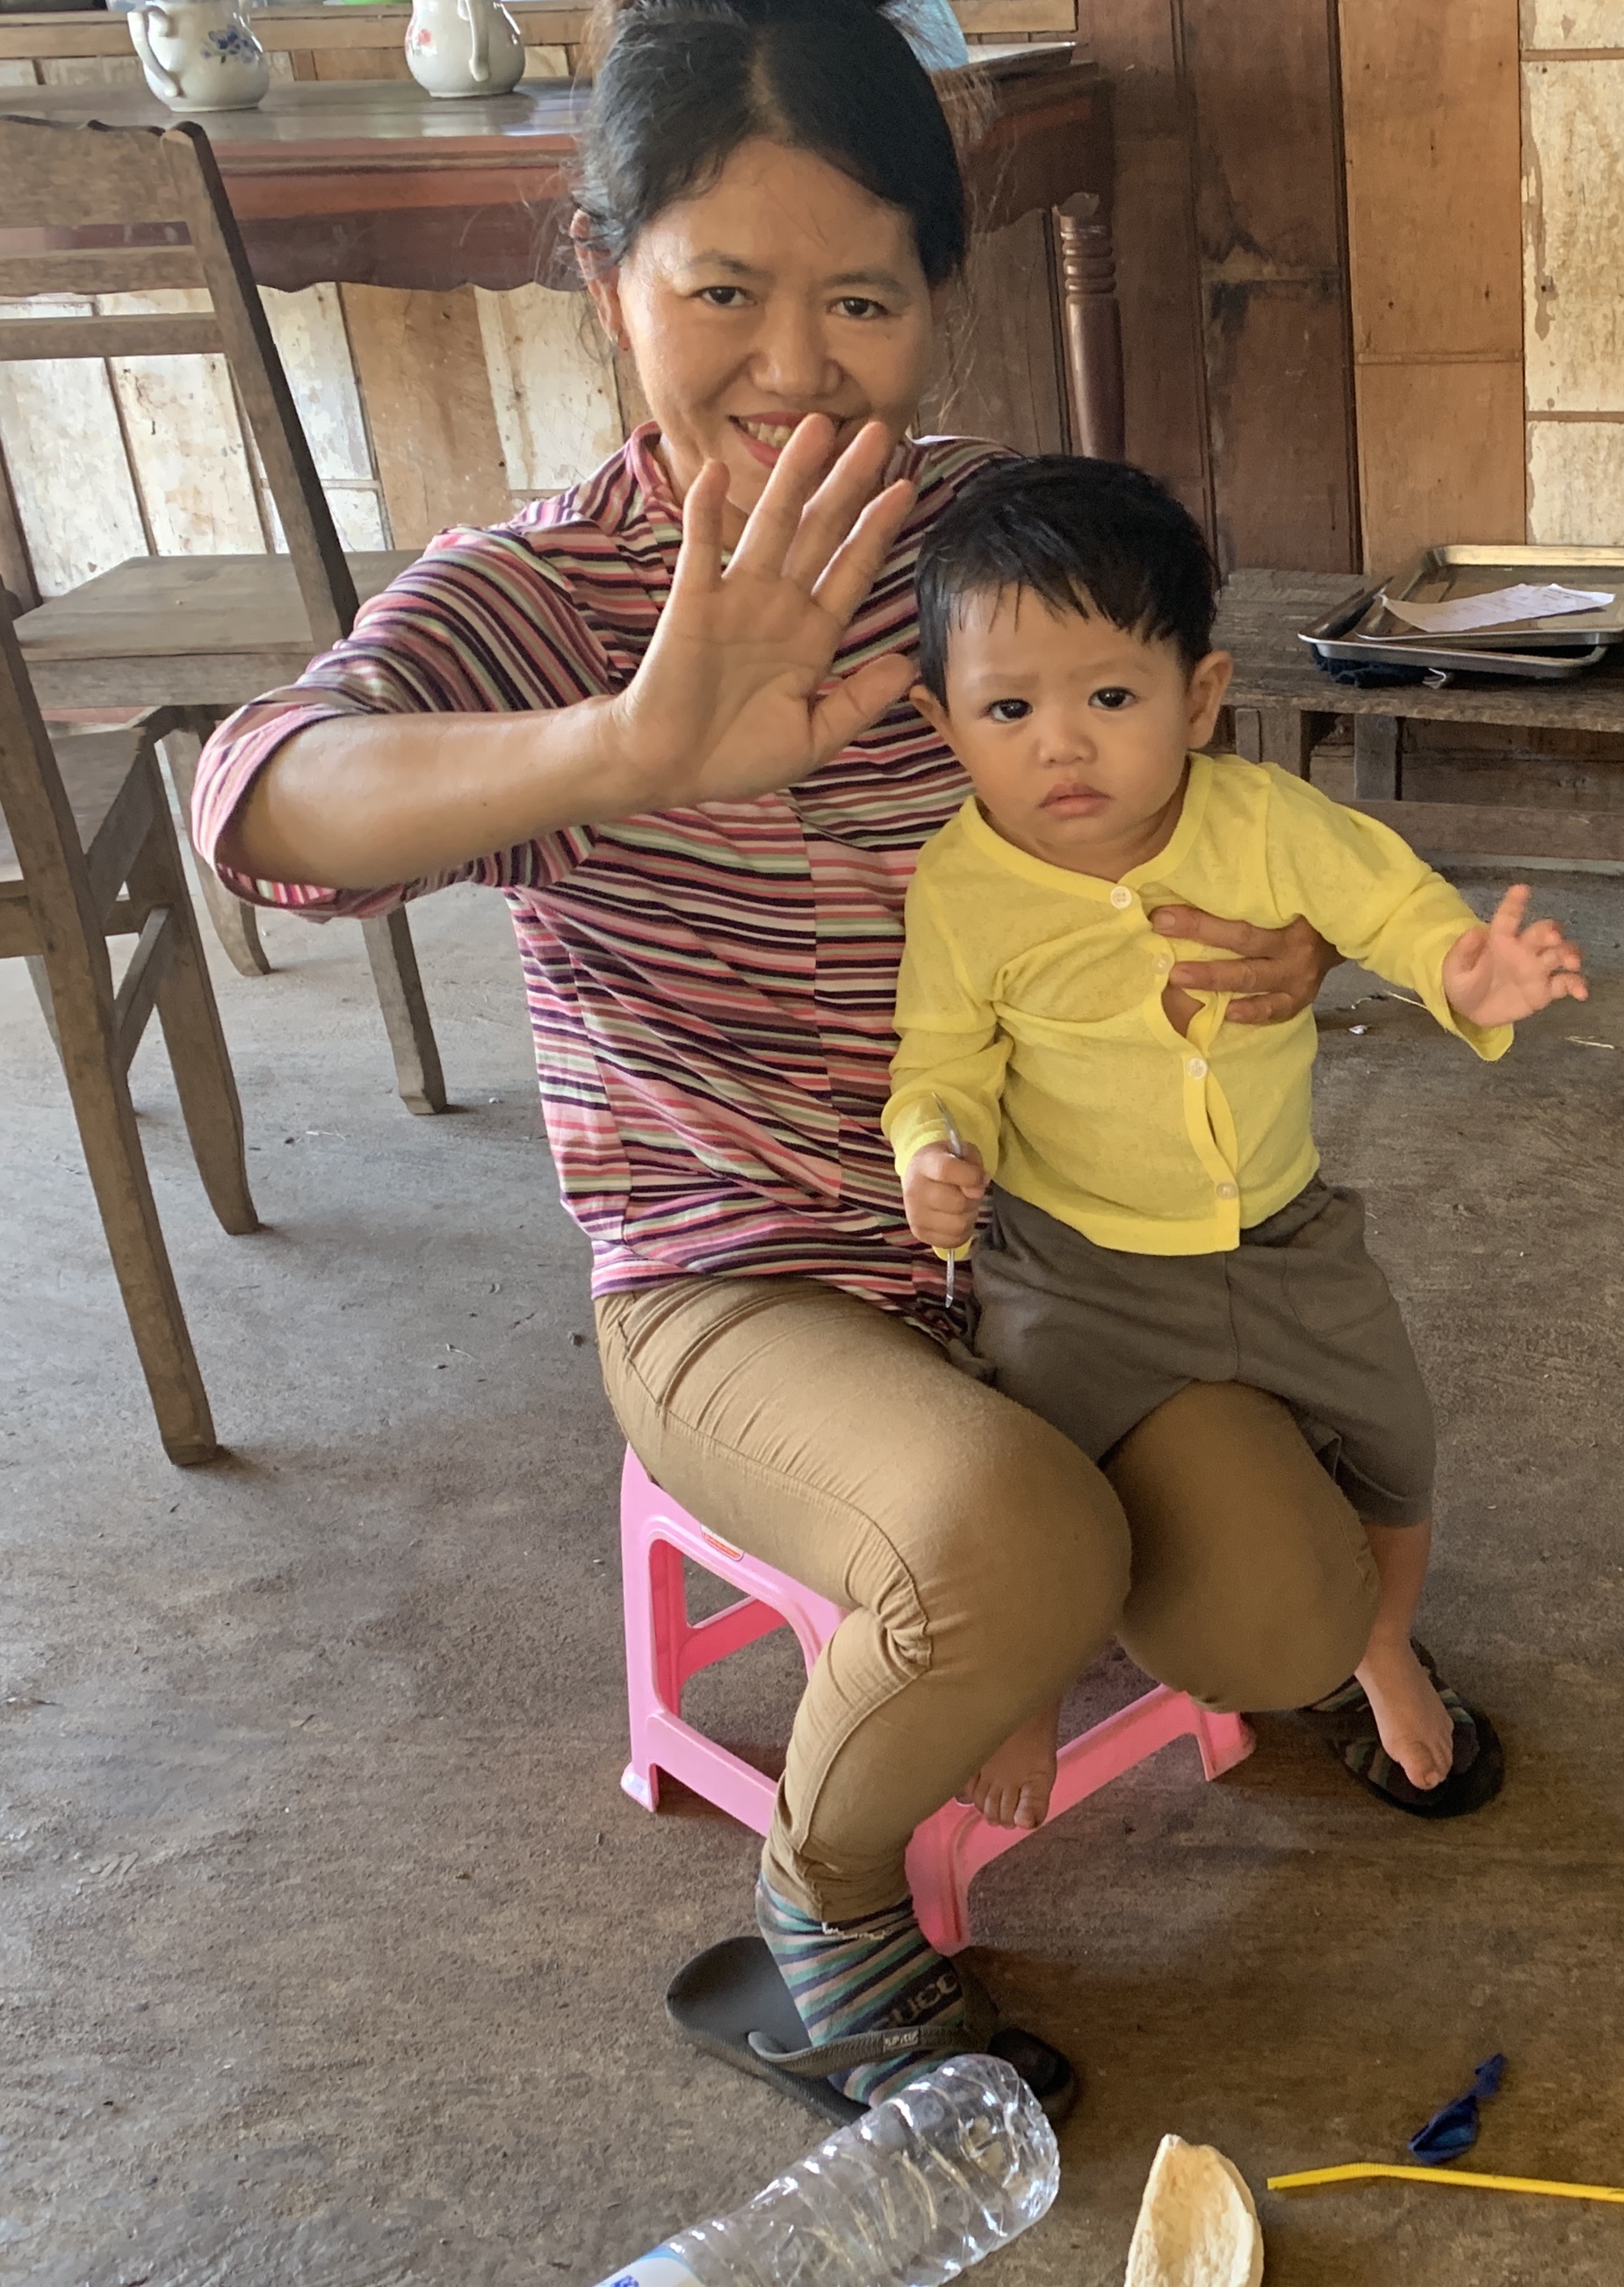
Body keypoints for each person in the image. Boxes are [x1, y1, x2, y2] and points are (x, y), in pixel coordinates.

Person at [187, 0, 1482, 2119]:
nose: (791, 366)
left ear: (938, 308)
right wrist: (633, 743)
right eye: (721, 292)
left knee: (1278, 1611)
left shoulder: (1003, 558)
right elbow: (257, 803)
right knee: (1012, 1544)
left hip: (1066, 1263)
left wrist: (1278, 966)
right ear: (603, 273)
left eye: (858, 298)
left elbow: (1222, 817)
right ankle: (826, 1906)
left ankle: (997, 1620)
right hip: (744, 1283)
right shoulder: (549, 598)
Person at [879, 457, 1587, 1831]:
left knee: (1396, 1449)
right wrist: (930, 1152)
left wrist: (1464, 975)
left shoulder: (1262, 821)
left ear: (1198, 698)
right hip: (1075, 1264)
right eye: (1007, 709)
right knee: (1036, 1480)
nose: (1061, 746)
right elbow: (939, 1060)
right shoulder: (960, 888)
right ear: (942, 721)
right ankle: (1022, 1688)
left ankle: (1380, 1655)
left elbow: (1387, 904)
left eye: (1109, 698)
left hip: (1283, 1235)